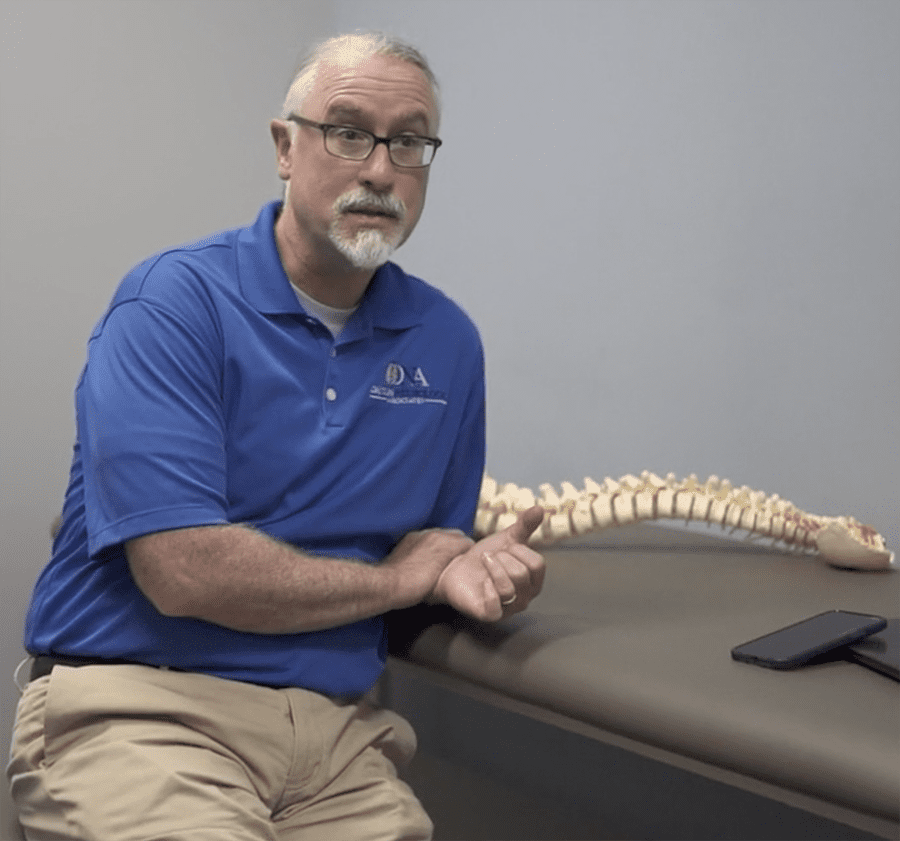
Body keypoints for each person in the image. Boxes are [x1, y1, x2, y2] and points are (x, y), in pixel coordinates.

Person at [7, 31, 545, 841]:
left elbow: (430, 548)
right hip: (145, 714)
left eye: (409, 141)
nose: (379, 168)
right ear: (284, 147)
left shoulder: (446, 342)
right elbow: (184, 570)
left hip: (339, 743)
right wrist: (398, 582)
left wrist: (471, 575)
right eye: (348, 130)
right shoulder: (172, 304)